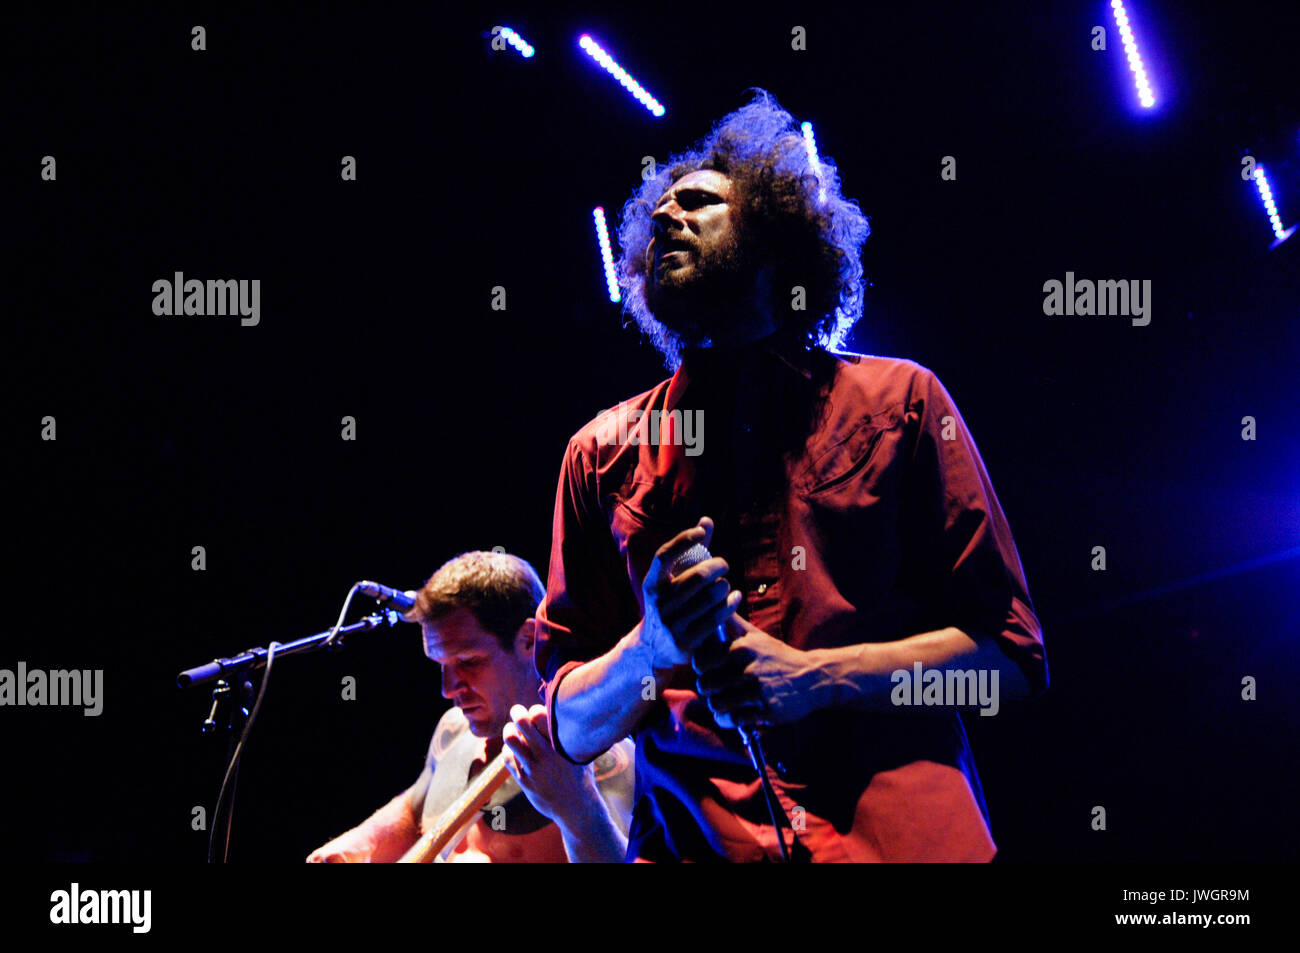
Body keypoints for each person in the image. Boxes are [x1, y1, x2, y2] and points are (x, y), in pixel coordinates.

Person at [534, 90, 1048, 862]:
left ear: (778, 241)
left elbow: (1009, 664)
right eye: (658, 214)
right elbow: (568, 727)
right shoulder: (598, 453)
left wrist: (820, 676)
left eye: (700, 203)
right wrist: (649, 649)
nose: (666, 219)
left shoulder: (903, 402)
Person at [307, 551, 633, 863]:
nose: (448, 688)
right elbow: (415, 810)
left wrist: (579, 807)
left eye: (468, 661)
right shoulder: (453, 731)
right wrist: (358, 845)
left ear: (529, 640)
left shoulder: (601, 756)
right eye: (441, 664)